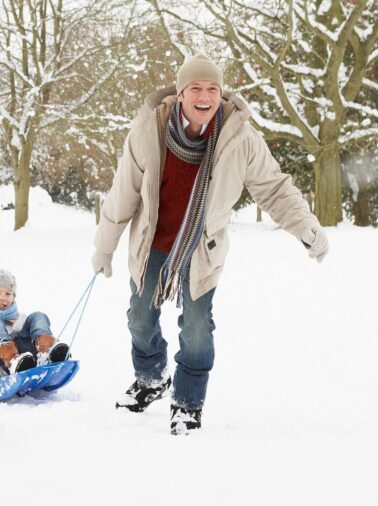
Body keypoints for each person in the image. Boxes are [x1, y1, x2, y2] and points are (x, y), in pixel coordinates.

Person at [91, 54, 329, 435]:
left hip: (203, 249)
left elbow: (273, 187)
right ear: (181, 92)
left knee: (198, 327)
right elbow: (123, 193)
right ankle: (152, 379)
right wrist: (105, 246)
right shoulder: (148, 131)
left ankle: (187, 402)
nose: (205, 96)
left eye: (213, 89)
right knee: (139, 318)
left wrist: (306, 227)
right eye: (196, 88)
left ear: (221, 93)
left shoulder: (239, 138)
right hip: (152, 243)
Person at [0, 268, 69, 380]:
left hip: (24, 362)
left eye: (8, 293)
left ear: (13, 297)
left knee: (37, 316)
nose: (2, 298)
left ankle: (46, 353)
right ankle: (12, 360)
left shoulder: (19, 318)